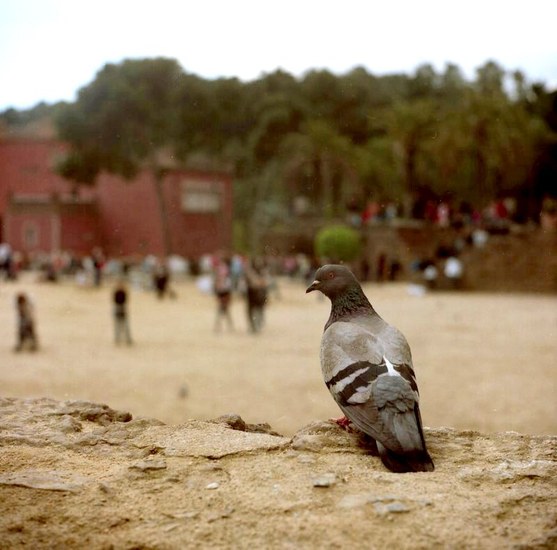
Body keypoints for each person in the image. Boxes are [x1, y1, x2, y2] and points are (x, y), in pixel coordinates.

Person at [244, 258, 269, 334]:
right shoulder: (250, 272)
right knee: (252, 311)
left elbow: (264, 283)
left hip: (259, 295)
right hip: (251, 294)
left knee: (259, 311)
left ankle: (257, 326)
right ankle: (253, 326)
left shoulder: (263, 272)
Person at [213, 256, 234, 333]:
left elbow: (228, 289)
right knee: (223, 310)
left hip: (225, 294)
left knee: (223, 310)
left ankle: (221, 325)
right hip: (222, 294)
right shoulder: (219, 280)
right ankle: (223, 325)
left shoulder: (226, 279)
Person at [113, 281, 133, 345]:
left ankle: (126, 339)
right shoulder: (117, 292)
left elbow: (124, 301)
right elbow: (116, 301)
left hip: (122, 308)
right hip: (119, 308)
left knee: (124, 325)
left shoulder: (123, 292)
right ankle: (118, 338)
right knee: (118, 325)